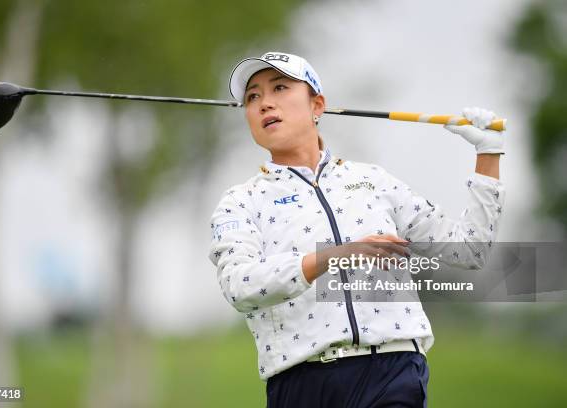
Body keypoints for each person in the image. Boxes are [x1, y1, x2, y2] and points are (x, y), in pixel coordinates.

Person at [208, 51, 505, 408]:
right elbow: (240, 286)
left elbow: (469, 250)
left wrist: (488, 154)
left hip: (393, 372)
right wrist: (332, 257)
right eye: (252, 97)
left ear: (317, 105)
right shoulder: (241, 201)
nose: (264, 103)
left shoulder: (373, 181)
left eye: (280, 88)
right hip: (302, 383)